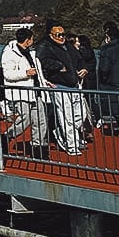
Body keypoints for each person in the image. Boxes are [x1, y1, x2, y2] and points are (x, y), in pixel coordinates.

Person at [35, 21, 88, 155]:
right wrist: (58, 66)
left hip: (75, 85)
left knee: (81, 115)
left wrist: (83, 68)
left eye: (63, 34)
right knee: (66, 116)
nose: (62, 37)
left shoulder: (68, 46)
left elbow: (79, 59)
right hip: (59, 85)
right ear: (51, 35)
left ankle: (62, 133)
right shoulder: (45, 46)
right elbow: (41, 61)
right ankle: (72, 145)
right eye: (58, 34)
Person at [1, 27, 50, 157]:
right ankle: (8, 135)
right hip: (22, 92)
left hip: (35, 90)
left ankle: (38, 147)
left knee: (40, 120)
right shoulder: (9, 53)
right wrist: (25, 73)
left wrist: (44, 82)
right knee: (26, 118)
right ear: (28, 40)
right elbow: (8, 74)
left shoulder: (31, 53)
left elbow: (37, 70)